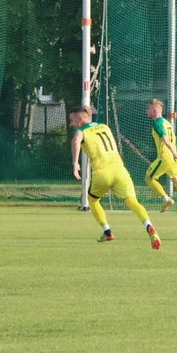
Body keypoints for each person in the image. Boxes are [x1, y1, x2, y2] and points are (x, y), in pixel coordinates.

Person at [69, 106, 161, 249]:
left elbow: (76, 140)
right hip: (120, 171)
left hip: (102, 173)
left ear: (80, 120)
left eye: (72, 121)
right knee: (133, 202)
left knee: (92, 200)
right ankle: (148, 225)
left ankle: (107, 231)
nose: (71, 124)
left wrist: (75, 163)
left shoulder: (81, 131)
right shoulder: (105, 126)